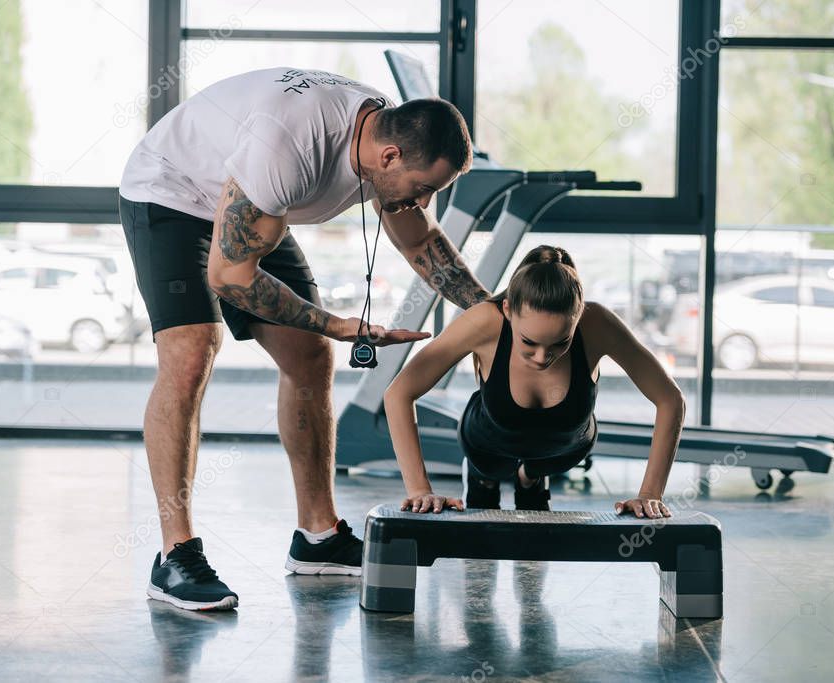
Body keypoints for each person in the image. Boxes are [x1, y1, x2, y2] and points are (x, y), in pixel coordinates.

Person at [118, 67, 491, 611]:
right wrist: (338, 324)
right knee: (192, 352)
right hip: (172, 194)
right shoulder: (289, 148)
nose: (425, 202)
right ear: (389, 157)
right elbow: (231, 277)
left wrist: (490, 314)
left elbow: (419, 242)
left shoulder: (384, 134)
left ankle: (318, 538)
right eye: (425, 188)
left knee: (310, 356)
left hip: (251, 200)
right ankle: (175, 556)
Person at [384, 245, 683, 517]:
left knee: (536, 477)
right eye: (529, 342)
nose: (542, 357)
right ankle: (485, 478)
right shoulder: (484, 322)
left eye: (559, 343)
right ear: (508, 310)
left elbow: (670, 400)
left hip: (563, 450)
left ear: (578, 318)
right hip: (487, 442)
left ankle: (531, 477)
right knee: (485, 492)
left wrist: (650, 493)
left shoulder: (598, 325)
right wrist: (419, 490)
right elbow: (399, 393)